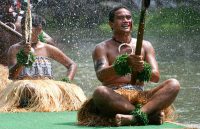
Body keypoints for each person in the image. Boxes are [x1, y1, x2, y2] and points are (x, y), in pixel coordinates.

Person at [77, 5, 180, 126]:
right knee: (99, 92)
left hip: (140, 95)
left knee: (173, 84)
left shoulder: (146, 45)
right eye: (121, 18)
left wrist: (142, 69)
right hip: (115, 96)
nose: (126, 20)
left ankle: (136, 116)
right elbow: (101, 75)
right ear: (111, 24)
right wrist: (124, 64)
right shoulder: (101, 48)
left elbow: (156, 77)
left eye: (128, 17)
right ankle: (146, 116)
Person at [0, 14, 86, 112]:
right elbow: (11, 76)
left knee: (72, 92)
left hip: (46, 89)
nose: (25, 33)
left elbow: (72, 65)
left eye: (29, 30)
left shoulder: (48, 48)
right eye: (23, 29)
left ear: (39, 30)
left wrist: (67, 80)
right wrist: (22, 60)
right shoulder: (14, 49)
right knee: (29, 88)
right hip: (23, 89)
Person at [0, 0, 56, 66]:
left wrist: (33, 41)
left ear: (17, 6)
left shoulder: (24, 23)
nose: (9, 9)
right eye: (4, 4)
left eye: (10, 4)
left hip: (23, 69)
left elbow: (50, 42)